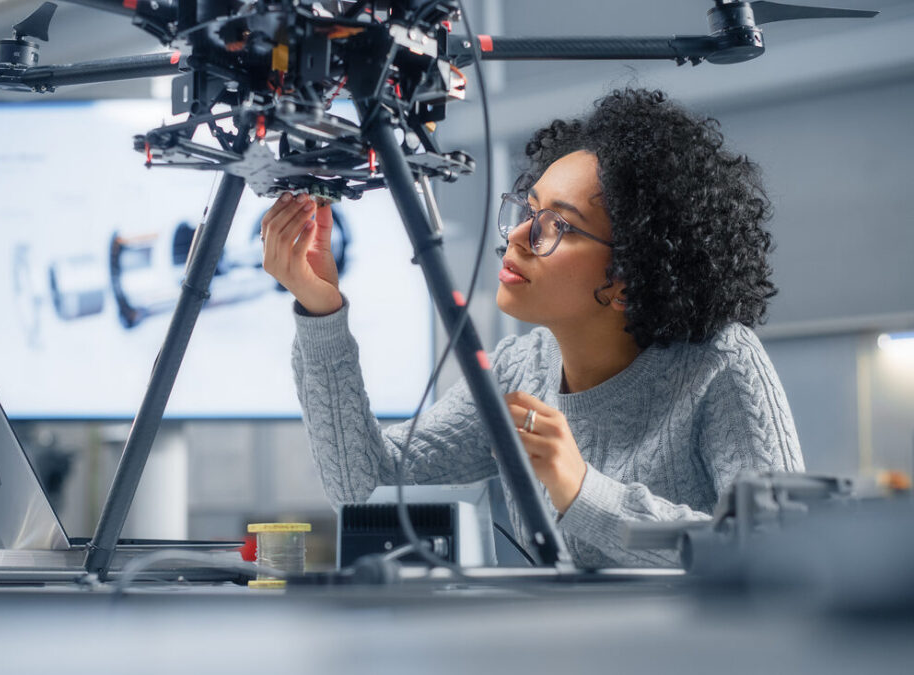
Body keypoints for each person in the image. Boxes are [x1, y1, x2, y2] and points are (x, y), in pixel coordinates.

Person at [259, 88, 804, 568]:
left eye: (556, 226)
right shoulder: (521, 370)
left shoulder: (720, 362)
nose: (517, 235)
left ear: (629, 279)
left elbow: (780, 551)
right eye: (529, 209)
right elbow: (365, 488)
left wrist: (583, 492)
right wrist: (320, 313)